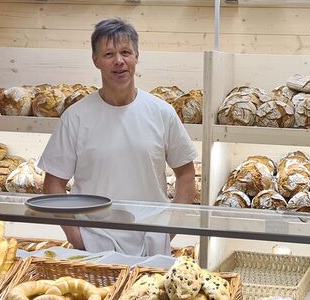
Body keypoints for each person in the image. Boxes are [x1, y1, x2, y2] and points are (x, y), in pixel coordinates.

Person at [38, 18, 198, 255]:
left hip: (151, 242)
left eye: (125, 52)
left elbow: (186, 174)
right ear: (95, 60)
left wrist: (169, 229)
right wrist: (75, 234)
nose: (119, 61)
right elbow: (53, 183)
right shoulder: (76, 117)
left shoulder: (161, 112)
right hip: (93, 243)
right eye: (109, 54)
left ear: (136, 56)